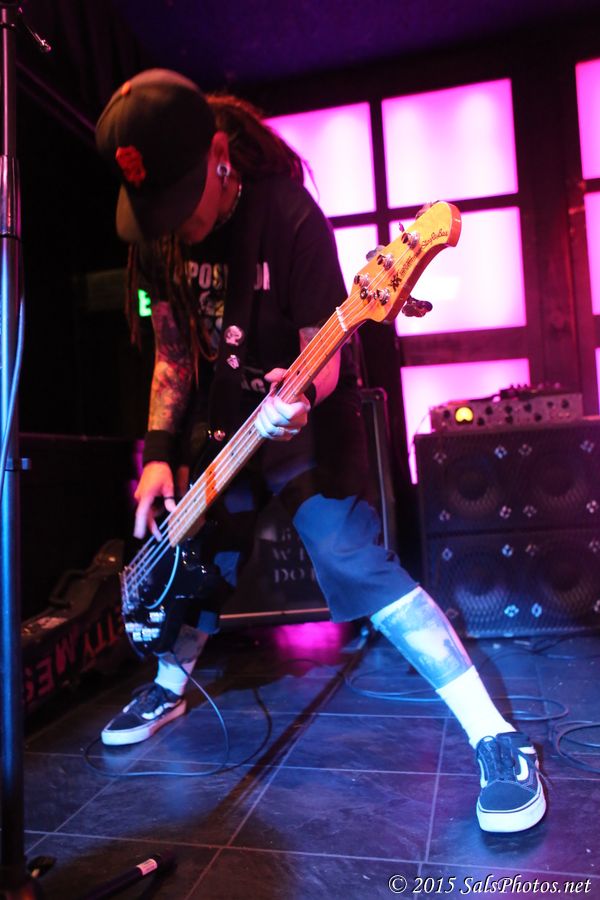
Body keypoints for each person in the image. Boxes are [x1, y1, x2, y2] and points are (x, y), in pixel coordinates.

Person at [95, 68, 546, 834]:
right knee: (199, 555)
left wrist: (297, 397)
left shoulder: (289, 215)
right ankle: (170, 686)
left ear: (219, 157)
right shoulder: (162, 237)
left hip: (306, 409)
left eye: (180, 200)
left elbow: (325, 353)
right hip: (225, 425)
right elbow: (172, 353)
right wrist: (163, 451)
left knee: (348, 553)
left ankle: (496, 738)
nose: (172, 223)